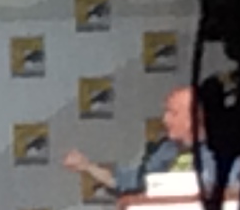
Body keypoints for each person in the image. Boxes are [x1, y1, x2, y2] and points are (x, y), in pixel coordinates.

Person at [63, 84, 231, 197]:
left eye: (173, 113)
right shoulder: (165, 150)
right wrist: (88, 167)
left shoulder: (226, 152)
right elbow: (131, 182)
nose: (165, 120)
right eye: (165, 112)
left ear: (196, 116)